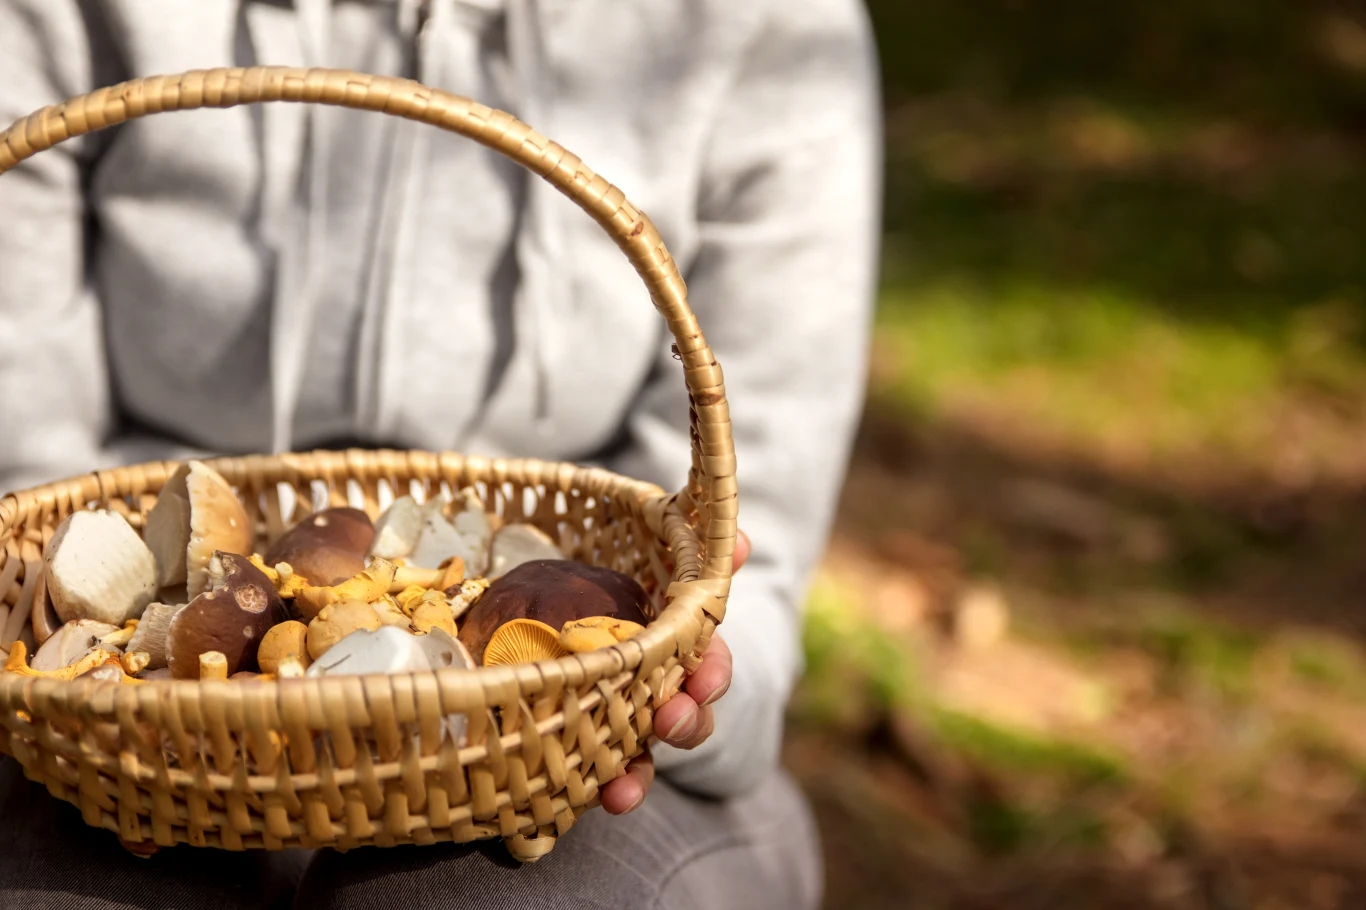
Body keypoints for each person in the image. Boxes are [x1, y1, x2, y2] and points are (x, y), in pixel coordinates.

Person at [0, 1, 881, 907]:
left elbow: (745, 558)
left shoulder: (766, 24)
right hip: (120, 717)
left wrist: (679, 692)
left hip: (551, 724)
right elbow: (28, 497)